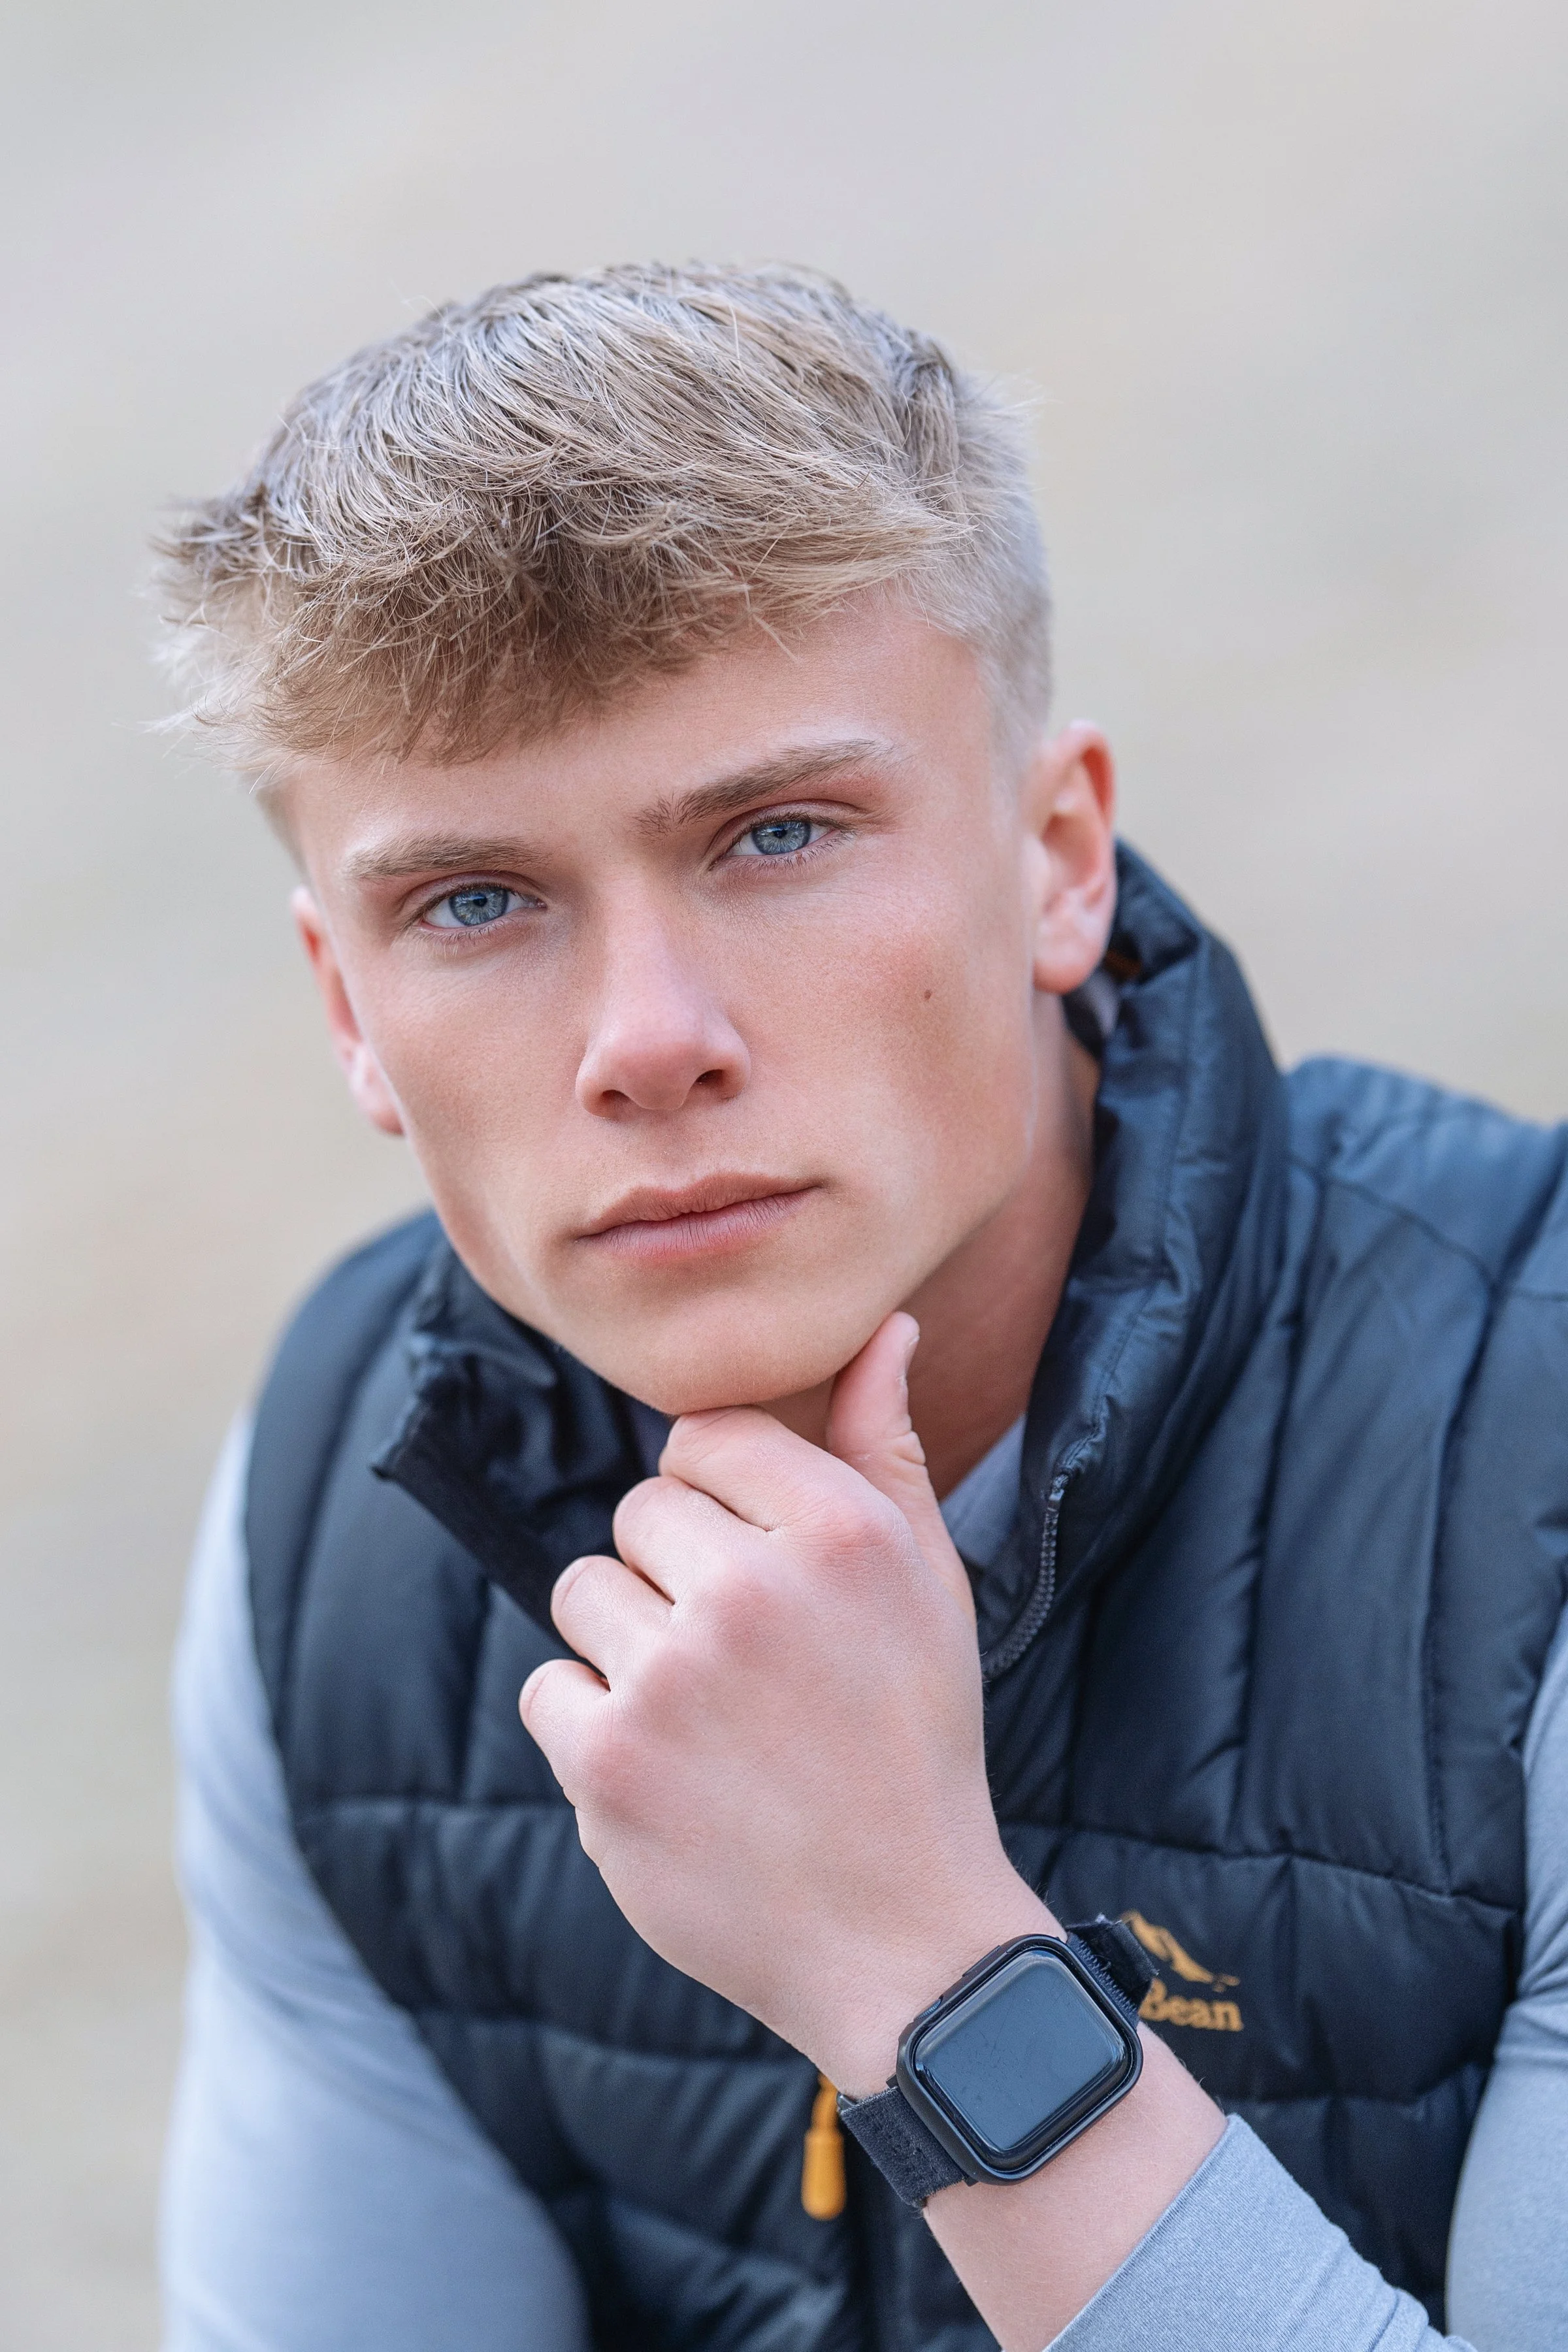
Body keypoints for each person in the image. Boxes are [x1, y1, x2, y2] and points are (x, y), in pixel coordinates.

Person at [155, 265, 1567, 2352]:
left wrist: (916, 1955)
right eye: (476, 902)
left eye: (780, 833)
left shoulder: (1526, 1448)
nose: (647, 1040)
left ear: (1058, 851)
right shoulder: (335, 1524)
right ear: (349, 1008)